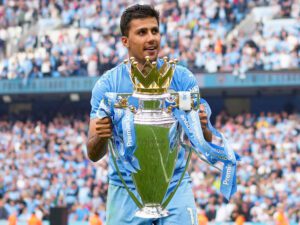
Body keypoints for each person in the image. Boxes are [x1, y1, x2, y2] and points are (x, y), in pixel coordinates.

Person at [87, 4, 212, 225]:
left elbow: (205, 143)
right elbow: (93, 152)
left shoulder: (182, 78)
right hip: (126, 188)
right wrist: (101, 135)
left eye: (155, 31)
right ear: (125, 41)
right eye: (142, 32)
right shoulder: (108, 84)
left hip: (174, 185)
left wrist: (202, 126)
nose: (151, 38)